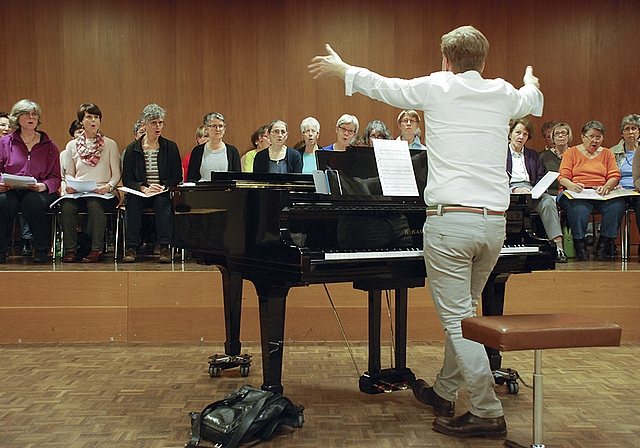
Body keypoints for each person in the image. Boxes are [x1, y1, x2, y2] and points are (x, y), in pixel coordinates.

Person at [309, 25, 543, 439]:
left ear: (446, 61)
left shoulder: (438, 87)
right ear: (483, 62)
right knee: (467, 311)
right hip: (493, 226)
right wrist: (529, 82)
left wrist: (343, 68)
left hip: (451, 221)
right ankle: (444, 390)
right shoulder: (504, 92)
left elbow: (384, 86)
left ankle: (487, 411)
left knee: (458, 321)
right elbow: (533, 101)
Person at [0, 99, 61, 263]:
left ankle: (41, 249)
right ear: (17, 118)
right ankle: (1, 250)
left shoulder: (49, 145)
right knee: (3, 202)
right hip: (11, 188)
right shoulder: (5, 143)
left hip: (39, 190)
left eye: (34, 114)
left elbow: (56, 178)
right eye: (26, 114)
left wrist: (43, 186)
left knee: (32, 202)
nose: (31, 117)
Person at [59, 104, 121, 263]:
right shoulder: (72, 146)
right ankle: (70, 249)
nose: (93, 120)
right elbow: (69, 173)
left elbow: (116, 175)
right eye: (89, 117)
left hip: (103, 192)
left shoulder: (110, 144)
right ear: (81, 121)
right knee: (66, 205)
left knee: (94, 204)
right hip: (80, 191)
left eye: (96, 117)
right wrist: (70, 185)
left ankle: (97, 248)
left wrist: (108, 187)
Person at [558, 120, 626, 261]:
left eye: (599, 137)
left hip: (601, 192)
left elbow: (614, 175)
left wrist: (607, 186)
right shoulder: (571, 152)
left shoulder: (607, 153)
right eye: (592, 136)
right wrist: (571, 185)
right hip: (577, 192)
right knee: (579, 208)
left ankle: (604, 244)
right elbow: (562, 177)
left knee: (617, 205)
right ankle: (579, 244)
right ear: (583, 137)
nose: (595, 140)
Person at [121, 104, 181, 263]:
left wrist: (162, 186)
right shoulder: (132, 149)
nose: (158, 126)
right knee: (132, 203)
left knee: (163, 203)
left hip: (161, 190)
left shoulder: (170, 147)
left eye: (160, 123)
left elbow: (177, 176)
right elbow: (127, 179)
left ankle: (165, 247)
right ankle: (131, 248)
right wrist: (142, 187)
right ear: (144, 124)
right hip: (141, 191)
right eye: (154, 123)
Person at [507, 118, 566, 262]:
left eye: (525, 134)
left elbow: (539, 176)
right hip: (508, 190)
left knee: (548, 201)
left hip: (530, 190)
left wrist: (539, 188)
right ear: (510, 133)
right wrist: (514, 189)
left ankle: (558, 247)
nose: (521, 137)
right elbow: (496, 177)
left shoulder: (532, 155)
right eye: (518, 132)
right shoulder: (501, 153)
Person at [611, 114, 640, 261]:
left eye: (634, 128)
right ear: (622, 133)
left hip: (638, 191)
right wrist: (613, 184)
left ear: (639, 132)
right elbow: (607, 174)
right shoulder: (612, 152)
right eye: (627, 129)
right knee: (614, 206)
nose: (631, 132)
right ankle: (609, 244)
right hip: (619, 191)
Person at [186, 112, 241, 182]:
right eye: (213, 126)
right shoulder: (198, 151)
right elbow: (191, 178)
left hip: (225, 191)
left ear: (224, 129)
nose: (217, 129)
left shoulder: (233, 151)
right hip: (202, 191)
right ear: (206, 129)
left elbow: (237, 179)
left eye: (220, 126)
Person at [539, 122, 572, 196]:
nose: (560, 136)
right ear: (553, 137)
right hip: (550, 194)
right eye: (557, 133)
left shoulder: (575, 154)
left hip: (572, 192)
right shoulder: (543, 156)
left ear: (568, 136)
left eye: (563, 133)